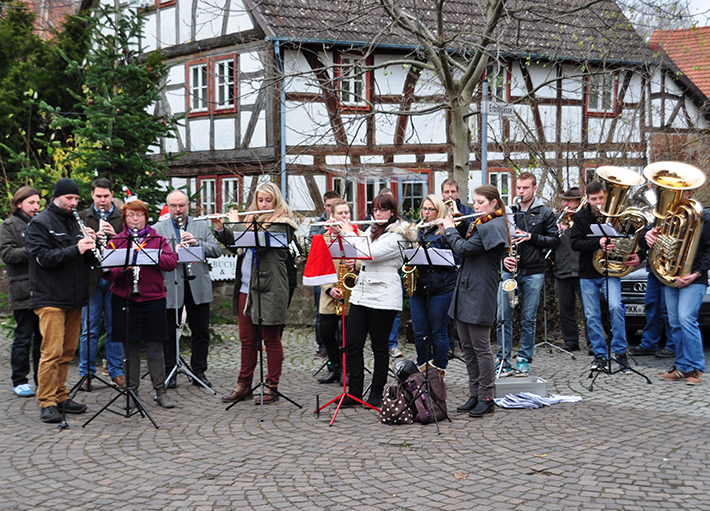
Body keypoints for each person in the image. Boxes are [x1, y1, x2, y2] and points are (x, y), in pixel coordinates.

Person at [215, 183, 298, 405]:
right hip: (246, 286)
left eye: (268, 200)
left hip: (270, 287)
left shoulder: (283, 224)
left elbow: (258, 241)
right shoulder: (252, 220)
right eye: (260, 200)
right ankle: (244, 385)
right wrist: (223, 230)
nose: (263, 204)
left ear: (276, 201)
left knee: (270, 338)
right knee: (246, 339)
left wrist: (236, 224)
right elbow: (237, 246)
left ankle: (272, 385)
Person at [25, 178, 95, 423]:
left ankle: (61, 394)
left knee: (67, 351)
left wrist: (92, 246)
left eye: (76, 199)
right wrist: (77, 248)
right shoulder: (39, 223)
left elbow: (84, 260)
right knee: (51, 352)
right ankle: (47, 401)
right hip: (50, 297)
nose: (73, 203)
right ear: (57, 197)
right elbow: (43, 257)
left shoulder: (77, 223)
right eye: (69, 198)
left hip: (73, 296)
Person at [340, 193, 414, 408]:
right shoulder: (371, 229)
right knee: (352, 344)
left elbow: (370, 252)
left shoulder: (398, 234)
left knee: (380, 347)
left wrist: (349, 233)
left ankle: (376, 392)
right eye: (375, 210)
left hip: (383, 294)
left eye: (382, 210)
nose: (378, 213)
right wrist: (341, 234)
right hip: (361, 293)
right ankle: (353, 392)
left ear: (392, 212)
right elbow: (357, 250)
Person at [442, 184, 509, 418]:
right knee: (467, 347)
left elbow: (463, 249)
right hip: (466, 288)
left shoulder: (494, 225)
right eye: (475, 202)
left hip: (480, 290)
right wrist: (458, 227)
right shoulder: (481, 223)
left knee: (481, 348)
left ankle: (487, 397)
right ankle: (474, 393)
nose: (476, 206)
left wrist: (450, 230)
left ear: (493, 203)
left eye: (481, 202)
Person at [103, 198, 178, 408]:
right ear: (124, 219)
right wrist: (123, 269)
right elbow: (108, 273)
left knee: (155, 348)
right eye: (130, 215)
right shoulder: (117, 241)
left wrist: (149, 256)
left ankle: (160, 392)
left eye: (139, 215)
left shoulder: (158, 239)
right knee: (130, 349)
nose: (135, 219)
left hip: (153, 299)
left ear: (146, 217)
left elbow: (171, 263)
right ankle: (131, 393)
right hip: (124, 299)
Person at [153, 190, 222, 388]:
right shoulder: (158, 228)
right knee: (167, 332)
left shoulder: (200, 225)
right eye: (174, 206)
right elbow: (154, 256)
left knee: (200, 331)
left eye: (181, 205)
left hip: (197, 284)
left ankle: (199, 371)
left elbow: (216, 250)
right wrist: (170, 251)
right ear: (168, 207)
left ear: (188, 206)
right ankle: (170, 371)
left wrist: (196, 243)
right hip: (171, 284)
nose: (178, 210)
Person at [495, 172, 559, 376]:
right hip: (509, 271)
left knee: (528, 318)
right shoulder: (508, 211)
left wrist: (531, 237)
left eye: (525, 188)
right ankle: (503, 359)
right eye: (519, 188)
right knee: (503, 316)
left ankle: (523, 358)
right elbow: (496, 241)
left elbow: (555, 241)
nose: (521, 192)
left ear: (534, 189)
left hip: (533, 271)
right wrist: (503, 258)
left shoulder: (546, 213)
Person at [570, 181, 637, 373]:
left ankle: (620, 353)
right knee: (591, 316)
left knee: (616, 308)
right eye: (594, 199)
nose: (598, 203)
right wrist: (597, 243)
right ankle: (600, 355)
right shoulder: (581, 216)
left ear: (605, 196)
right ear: (587, 198)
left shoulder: (618, 214)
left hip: (611, 270)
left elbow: (632, 235)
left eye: (601, 198)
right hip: (588, 273)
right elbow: (575, 243)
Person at [652, 193, 710, 386]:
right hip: (671, 277)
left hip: (694, 278)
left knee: (686, 319)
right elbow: (650, 242)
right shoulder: (665, 216)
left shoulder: (704, 216)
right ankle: (681, 367)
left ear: (688, 193)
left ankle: (695, 368)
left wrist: (696, 273)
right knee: (675, 322)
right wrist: (649, 236)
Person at [77, 178, 125, 391]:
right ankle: (86, 372)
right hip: (91, 279)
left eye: (106, 196)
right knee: (90, 327)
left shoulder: (121, 217)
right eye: (98, 196)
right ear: (92, 196)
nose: (102, 201)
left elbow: (131, 245)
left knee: (116, 327)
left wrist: (115, 237)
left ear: (111, 195)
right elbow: (72, 250)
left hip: (114, 278)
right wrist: (86, 240)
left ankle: (116, 370)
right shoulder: (81, 218)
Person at [0, 186, 43, 397]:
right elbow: (8, 254)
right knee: (23, 336)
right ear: (19, 204)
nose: (36, 207)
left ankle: (41, 380)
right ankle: (19, 380)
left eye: (38, 203)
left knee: (42, 339)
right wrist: (34, 248)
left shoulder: (42, 222)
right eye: (31, 203)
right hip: (23, 289)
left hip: (44, 289)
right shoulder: (8, 226)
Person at [410, 194, 457, 379]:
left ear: (439, 211)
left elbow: (457, 257)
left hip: (441, 287)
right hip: (418, 286)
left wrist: (444, 235)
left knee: (438, 331)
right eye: (424, 208)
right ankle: (423, 367)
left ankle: (439, 370)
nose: (426, 212)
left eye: (431, 209)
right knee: (419, 331)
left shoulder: (445, 229)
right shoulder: (417, 229)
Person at [316, 199, 360, 384]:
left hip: (350, 291)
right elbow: (317, 267)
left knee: (348, 335)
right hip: (330, 291)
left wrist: (355, 264)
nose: (344, 216)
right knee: (326, 332)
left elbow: (367, 259)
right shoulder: (324, 238)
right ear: (331, 216)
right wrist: (328, 289)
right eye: (340, 213)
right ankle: (335, 367)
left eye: (347, 213)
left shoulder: (356, 235)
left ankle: (348, 370)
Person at [552, 187, 588, 353]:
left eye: (569, 200)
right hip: (562, 268)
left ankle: (592, 342)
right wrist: (556, 230)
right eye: (564, 200)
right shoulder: (557, 218)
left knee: (588, 309)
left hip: (581, 269)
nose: (565, 203)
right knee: (566, 309)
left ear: (578, 202)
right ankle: (571, 341)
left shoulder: (584, 217)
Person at [309, 190, 340, 359]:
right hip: (322, 274)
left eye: (333, 206)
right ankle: (323, 346)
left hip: (338, 273)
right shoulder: (317, 225)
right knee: (321, 313)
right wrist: (326, 230)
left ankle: (338, 350)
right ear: (324, 206)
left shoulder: (346, 225)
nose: (330, 209)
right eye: (328, 206)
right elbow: (313, 249)